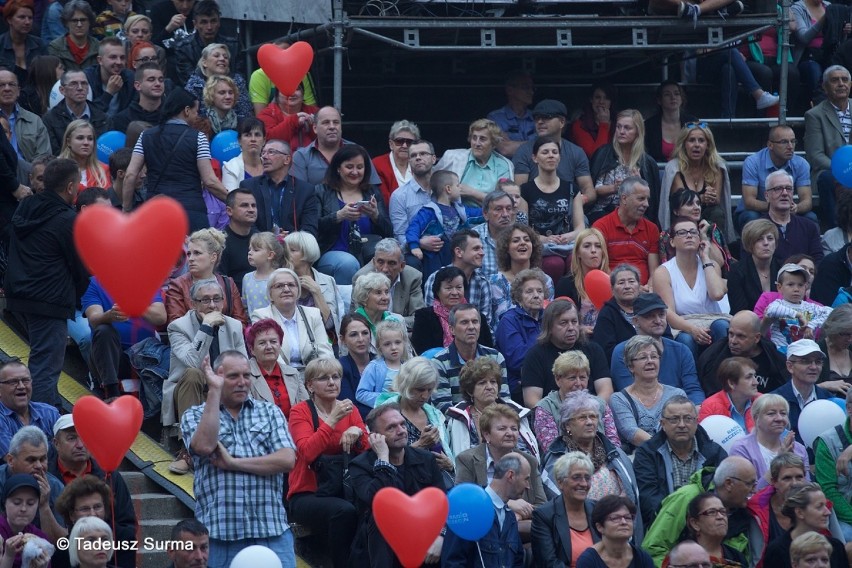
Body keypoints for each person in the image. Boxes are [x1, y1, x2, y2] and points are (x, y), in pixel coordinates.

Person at [181, 351, 296, 568]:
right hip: (218, 536)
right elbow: (204, 446)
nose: (242, 382)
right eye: (233, 376)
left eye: (247, 375)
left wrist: (234, 463)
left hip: (271, 532)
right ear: (216, 377)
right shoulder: (194, 415)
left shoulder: (270, 412)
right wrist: (214, 391)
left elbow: (287, 459)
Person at [3, 158, 87, 407]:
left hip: (20, 295)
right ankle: (41, 421)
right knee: (46, 365)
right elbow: (79, 265)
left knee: (41, 358)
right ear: (70, 187)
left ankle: (47, 410)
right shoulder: (67, 220)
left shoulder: (25, 207)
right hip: (49, 300)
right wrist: (77, 292)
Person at [287, 358, 369, 568]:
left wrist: (357, 431)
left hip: (344, 488)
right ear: (310, 386)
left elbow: (367, 449)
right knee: (344, 511)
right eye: (324, 378)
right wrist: (332, 420)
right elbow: (307, 452)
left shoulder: (349, 409)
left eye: (336, 377)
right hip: (307, 493)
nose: (332, 382)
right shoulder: (300, 411)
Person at [164, 280, 247, 473]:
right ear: (193, 304)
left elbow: (243, 362)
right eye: (205, 300)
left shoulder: (234, 325)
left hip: (223, 388)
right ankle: (188, 451)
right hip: (191, 389)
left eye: (217, 299)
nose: (212, 305)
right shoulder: (178, 327)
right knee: (193, 373)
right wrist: (206, 328)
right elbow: (193, 362)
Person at [348, 403, 446, 566]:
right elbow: (375, 500)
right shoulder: (360, 465)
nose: (401, 431)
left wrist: (441, 536)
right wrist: (383, 459)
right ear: (375, 436)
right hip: (382, 545)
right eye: (391, 428)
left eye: (402, 424)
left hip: (422, 534)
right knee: (380, 516)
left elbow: (442, 502)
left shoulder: (425, 459)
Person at [123, 87, 227, 229]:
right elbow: (209, 181)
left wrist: (127, 209)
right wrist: (233, 200)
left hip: (156, 211)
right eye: (195, 111)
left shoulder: (145, 136)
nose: (197, 116)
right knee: (196, 251)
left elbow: (130, 175)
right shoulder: (199, 138)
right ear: (186, 110)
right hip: (191, 212)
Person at [641, 456, 763, 567]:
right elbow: (654, 548)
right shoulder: (686, 497)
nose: (754, 490)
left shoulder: (742, 511)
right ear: (729, 483)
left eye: (722, 512)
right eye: (750, 484)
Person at [49, 415, 135, 568]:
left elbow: (126, 523)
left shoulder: (110, 476)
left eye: (85, 437)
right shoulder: (47, 477)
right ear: (56, 443)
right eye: (71, 438)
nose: (80, 444)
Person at [542, 391, 640, 521]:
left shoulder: (615, 453)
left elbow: (632, 492)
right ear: (567, 425)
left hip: (619, 523)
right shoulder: (557, 458)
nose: (589, 422)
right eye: (582, 418)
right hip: (579, 526)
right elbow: (556, 499)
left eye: (593, 417)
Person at [633, 395, 727, 527]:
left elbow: (723, 493)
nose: (682, 425)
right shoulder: (648, 453)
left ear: (696, 422)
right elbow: (648, 499)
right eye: (674, 419)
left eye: (688, 419)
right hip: (664, 525)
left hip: (707, 526)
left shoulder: (714, 453)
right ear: (663, 424)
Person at [455, 404, 547, 538]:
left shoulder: (529, 461)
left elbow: (542, 507)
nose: (510, 433)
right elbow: (462, 502)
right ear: (486, 434)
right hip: (480, 534)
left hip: (521, 537)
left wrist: (518, 515)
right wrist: (508, 505)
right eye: (502, 428)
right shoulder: (467, 459)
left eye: (514, 428)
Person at [314, 144, 392, 285]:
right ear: (338, 168)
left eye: (360, 167)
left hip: (368, 254)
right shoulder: (322, 191)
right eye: (349, 167)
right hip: (331, 253)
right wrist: (338, 216)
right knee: (348, 264)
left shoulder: (372, 192)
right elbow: (312, 227)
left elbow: (389, 232)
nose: (355, 172)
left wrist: (375, 216)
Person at [652, 218, 729, 358]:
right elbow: (667, 312)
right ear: (672, 241)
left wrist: (705, 258)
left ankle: (724, 376)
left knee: (722, 326)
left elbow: (717, 294)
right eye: (682, 232)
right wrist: (693, 329)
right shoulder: (663, 272)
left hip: (713, 319)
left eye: (693, 232)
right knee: (686, 339)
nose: (689, 235)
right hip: (683, 324)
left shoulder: (712, 265)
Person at [610, 292, 704, 405]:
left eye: (661, 315)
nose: (658, 320)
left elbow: (693, 389)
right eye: (650, 316)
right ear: (635, 321)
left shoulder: (681, 350)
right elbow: (628, 394)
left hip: (679, 415)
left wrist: (697, 407)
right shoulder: (622, 351)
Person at [82, 275, 165, 400]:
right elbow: (94, 318)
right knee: (103, 330)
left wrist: (134, 306)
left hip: (143, 355)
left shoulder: (146, 281)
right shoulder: (94, 282)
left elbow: (161, 317)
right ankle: (111, 393)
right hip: (112, 356)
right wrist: (110, 316)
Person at [522, 299, 613, 407]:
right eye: (563, 323)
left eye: (574, 322)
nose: (571, 328)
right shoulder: (535, 355)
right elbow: (532, 400)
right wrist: (563, 416)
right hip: (553, 417)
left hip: (591, 414)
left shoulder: (594, 349)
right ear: (549, 327)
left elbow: (606, 390)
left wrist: (588, 411)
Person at [442, 452, 527, 568]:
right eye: (526, 479)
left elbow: (517, 562)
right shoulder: (470, 509)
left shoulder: (510, 517)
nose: (528, 486)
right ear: (511, 476)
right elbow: (453, 562)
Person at [520, 136, 586, 280]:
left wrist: (567, 236)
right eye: (545, 152)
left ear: (559, 157)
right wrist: (544, 239)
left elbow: (580, 227)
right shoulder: (525, 190)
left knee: (573, 261)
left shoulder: (572, 188)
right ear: (535, 158)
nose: (551, 155)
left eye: (554, 152)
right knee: (553, 263)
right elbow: (522, 229)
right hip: (539, 245)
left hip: (566, 244)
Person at [445, 357, 537, 459]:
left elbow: (529, 453)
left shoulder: (514, 412)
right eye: (482, 383)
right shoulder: (459, 418)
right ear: (470, 391)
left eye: (493, 382)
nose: (489, 387)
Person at [660, 123, 735, 242]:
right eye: (691, 140)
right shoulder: (674, 168)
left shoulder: (716, 166)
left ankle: (716, 248)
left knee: (717, 212)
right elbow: (681, 202)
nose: (696, 145)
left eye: (701, 141)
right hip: (681, 216)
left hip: (706, 216)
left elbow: (716, 200)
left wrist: (711, 197)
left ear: (708, 145)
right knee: (683, 212)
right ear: (684, 144)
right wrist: (702, 198)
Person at [534, 351, 620, 455]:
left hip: (604, 461)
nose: (578, 383)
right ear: (558, 379)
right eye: (572, 378)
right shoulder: (545, 407)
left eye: (582, 377)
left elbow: (614, 443)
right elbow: (551, 448)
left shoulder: (600, 404)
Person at [609, 336, 688, 449]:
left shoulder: (677, 395)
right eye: (643, 357)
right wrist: (666, 449)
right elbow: (632, 433)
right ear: (631, 366)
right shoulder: (619, 399)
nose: (650, 361)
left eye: (654, 356)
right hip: (639, 458)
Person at [512, 99, 596, 205]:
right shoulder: (524, 151)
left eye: (547, 117)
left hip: (568, 209)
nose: (540, 122)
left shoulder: (576, 152)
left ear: (562, 122)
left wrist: (579, 201)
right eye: (537, 118)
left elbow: (589, 190)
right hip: (533, 209)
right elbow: (519, 192)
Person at [249, 268, 334, 371]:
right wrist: (291, 377)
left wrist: (321, 374)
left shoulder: (313, 314)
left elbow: (325, 351)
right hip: (279, 375)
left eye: (291, 285)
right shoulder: (261, 316)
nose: (286, 289)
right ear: (270, 294)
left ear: (298, 291)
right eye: (279, 286)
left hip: (312, 374)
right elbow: (268, 356)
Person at [588, 109, 661, 226]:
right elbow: (592, 190)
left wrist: (640, 185)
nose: (621, 131)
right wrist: (615, 188)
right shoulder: (603, 153)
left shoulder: (647, 162)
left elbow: (652, 202)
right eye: (618, 127)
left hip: (635, 214)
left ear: (638, 131)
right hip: (603, 212)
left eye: (627, 128)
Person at [739, 124, 815, 231]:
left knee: (811, 218)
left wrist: (797, 208)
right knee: (751, 217)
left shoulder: (801, 164)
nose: (790, 146)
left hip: (788, 211)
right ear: (770, 145)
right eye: (784, 142)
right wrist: (775, 207)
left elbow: (807, 201)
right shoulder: (753, 162)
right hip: (760, 211)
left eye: (793, 141)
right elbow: (749, 201)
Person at [406, 169, 480, 280]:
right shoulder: (428, 211)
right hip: (435, 257)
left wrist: (492, 210)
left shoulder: (460, 210)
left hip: (454, 256)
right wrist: (414, 246)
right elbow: (413, 228)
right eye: (458, 185)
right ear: (448, 189)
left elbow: (478, 214)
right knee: (435, 281)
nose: (460, 188)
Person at [531, 452, 600, 567]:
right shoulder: (544, 515)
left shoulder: (598, 510)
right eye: (576, 477)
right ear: (560, 482)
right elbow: (549, 563)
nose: (583, 483)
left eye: (587, 478)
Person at [164, 228, 246, 324]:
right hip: (192, 338)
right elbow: (176, 325)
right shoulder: (178, 285)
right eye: (189, 254)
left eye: (197, 253)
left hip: (226, 337)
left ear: (213, 257)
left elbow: (241, 322)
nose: (190, 259)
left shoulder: (228, 283)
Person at [240, 138, 320, 237]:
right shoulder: (249, 186)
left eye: (271, 152)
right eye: (263, 153)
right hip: (259, 247)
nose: (264, 157)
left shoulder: (305, 190)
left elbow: (310, 229)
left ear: (287, 159)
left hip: (294, 248)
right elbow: (246, 224)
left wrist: (290, 239)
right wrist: (270, 239)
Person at [0, 427, 67, 542]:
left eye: (42, 459)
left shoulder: (55, 487)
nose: (39, 466)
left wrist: (44, 506)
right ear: (11, 460)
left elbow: (62, 544)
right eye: (31, 460)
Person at [804, 65, 851, 225]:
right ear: (825, 87)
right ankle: (837, 229)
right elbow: (815, 155)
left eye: (845, 80)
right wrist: (843, 170)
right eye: (834, 80)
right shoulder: (815, 115)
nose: (841, 84)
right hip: (831, 171)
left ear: (850, 85)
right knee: (826, 178)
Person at [592, 177, 660, 286]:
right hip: (611, 289)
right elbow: (600, 267)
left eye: (647, 199)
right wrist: (626, 288)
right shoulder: (601, 226)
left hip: (645, 292)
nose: (646, 204)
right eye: (641, 198)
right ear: (624, 199)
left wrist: (648, 288)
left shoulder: (652, 229)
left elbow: (654, 272)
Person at [290, 106, 382, 188]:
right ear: (315, 128)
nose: (332, 127)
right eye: (326, 123)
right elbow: (299, 195)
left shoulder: (358, 152)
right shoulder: (301, 156)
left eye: (336, 122)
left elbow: (373, 189)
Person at [762, 483, 849, 568]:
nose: (828, 512)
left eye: (824, 560)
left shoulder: (836, 547)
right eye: (819, 507)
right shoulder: (777, 551)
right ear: (800, 512)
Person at [495, 268, 549, 403]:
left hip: (549, 380)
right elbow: (518, 361)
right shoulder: (509, 320)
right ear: (518, 297)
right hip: (520, 384)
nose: (536, 295)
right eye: (529, 291)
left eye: (540, 291)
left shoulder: (549, 318)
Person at [423, 229, 494, 329]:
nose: (482, 253)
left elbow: (484, 324)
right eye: (476, 249)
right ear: (459, 252)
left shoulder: (482, 282)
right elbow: (429, 319)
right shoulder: (435, 278)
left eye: (482, 248)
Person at [434, 118, 514, 206]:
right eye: (474, 138)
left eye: (482, 139)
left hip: (491, 217)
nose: (477, 143)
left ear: (494, 143)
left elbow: (505, 201)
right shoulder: (453, 157)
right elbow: (433, 182)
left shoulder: (504, 165)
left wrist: (473, 193)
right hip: (456, 215)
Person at [770, 339, 833, 447]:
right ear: (790, 366)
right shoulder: (773, 401)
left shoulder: (829, 400)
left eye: (818, 362)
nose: (813, 367)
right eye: (806, 361)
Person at [352, 238, 425, 331]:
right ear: (374, 262)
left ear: (402, 266)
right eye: (380, 262)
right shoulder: (362, 279)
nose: (385, 269)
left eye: (391, 263)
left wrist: (389, 323)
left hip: (402, 334)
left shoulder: (413, 277)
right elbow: (360, 318)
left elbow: (418, 318)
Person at [53, 475, 123, 568]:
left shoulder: (122, 538)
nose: (93, 514)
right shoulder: (62, 549)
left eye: (97, 507)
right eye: (85, 509)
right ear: (72, 515)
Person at [489, 223, 554, 324]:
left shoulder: (545, 280)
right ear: (507, 248)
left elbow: (547, 316)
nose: (522, 243)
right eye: (516, 240)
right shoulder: (495, 281)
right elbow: (500, 318)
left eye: (527, 240)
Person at [245, 318, 309, 420]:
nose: (269, 347)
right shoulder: (244, 375)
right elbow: (248, 415)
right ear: (252, 349)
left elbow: (306, 409)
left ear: (280, 345)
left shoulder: (293, 373)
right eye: (262, 343)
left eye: (273, 341)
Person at [285, 230, 341, 343]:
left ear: (307, 253)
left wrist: (316, 291)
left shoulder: (328, 281)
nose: (286, 254)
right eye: (285, 250)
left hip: (323, 342)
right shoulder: (281, 281)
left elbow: (331, 325)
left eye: (292, 250)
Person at [388, 139, 436, 267]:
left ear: (433, 158)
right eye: (413, 155)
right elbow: (400, 236)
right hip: (415, 252)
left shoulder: (445, 189)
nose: (418, 158)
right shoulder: (399, 196)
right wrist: (419, 243)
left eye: (423, 154)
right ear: (409, 162)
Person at [764, 263, 832, 352]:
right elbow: (771, 311)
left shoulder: (811, 307)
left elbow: (831, 312)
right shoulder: (778, 304)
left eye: (800, 285)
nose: (796, 289)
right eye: (791, 284)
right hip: (782, 352)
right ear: (779, 287)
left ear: (806, 287)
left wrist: (812, 325)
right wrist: (798, 315)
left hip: (805, 352)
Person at [554, 228, 609, 335]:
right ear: (578, 253)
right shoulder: (566, 283)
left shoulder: (613, 281)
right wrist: (578, 329)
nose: (593, 250)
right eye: (587, 246)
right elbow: (557, 320)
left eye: (598, 246)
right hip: (577, 339)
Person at [814, 387, 852, 540]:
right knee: (846, 536)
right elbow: (828, 491)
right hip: (844, 516)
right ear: (850, 409)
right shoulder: (827, 441)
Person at [42, 70, 109, 155]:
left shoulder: (103, 118)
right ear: (62, 90)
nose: (80, 88)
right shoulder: (50, 119)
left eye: (84, 83)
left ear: (88, 89)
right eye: (73, 84)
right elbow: (53, 153)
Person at [173, 0, 240, 85]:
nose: (209, 27)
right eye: (204, 22)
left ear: (219, 22)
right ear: (195, 24)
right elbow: (189, 82)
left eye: (213, 21)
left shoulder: (233, 45)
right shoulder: (184, 49)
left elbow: (238, 77)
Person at [0, 361, 58, 457]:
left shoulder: (49, 412)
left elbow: (68, 448)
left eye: (25, 380)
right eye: (13, 382)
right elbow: (16, 459)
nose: (21, 386)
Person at [575, 495, 653, 568]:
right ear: (600, 527)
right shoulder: (588, 561)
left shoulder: (642, 558)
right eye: (615, 518)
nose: (624, 522)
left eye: (628, 517)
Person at [762, 171, 823, 264]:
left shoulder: (809, 227)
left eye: (789, 188)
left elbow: (818, 261)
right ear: (767, 195)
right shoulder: (756, 228)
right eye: (778, 188)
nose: (785, 193)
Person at [184, 42, 251, 120]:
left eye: (225, 57)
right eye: (216, 56)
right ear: (204, 63)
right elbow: (191, 116)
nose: (222, 59)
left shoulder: (237, 81)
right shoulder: (194, 84)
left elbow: (245, 112)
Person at [591, 264, 645, 361]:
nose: (627, 286)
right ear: (612, 289)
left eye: (631, 281)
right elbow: (606, 350)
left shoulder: (650, 307)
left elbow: (665, 337)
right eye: (621, 283)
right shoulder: (607, 313)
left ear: (639, 285)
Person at [728, 219, 781, 315]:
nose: (766, 243)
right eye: (759, 239)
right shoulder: (737, 271)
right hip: (748, 324)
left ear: (775, 243)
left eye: (770, 238)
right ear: (750, 244)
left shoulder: (783, 269)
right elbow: (739, 311)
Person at [0, 68, 51, 164]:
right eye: (1, 85)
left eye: (11, 84)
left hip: (29, 174)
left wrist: (29, 172)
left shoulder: (34, 121)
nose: (7, 89)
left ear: (18, 91)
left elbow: (44, 156)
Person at [0, 474, 51, 568]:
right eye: (17, 503)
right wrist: (9, 556)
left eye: (30, 503)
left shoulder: (39, 538)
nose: (23, 508)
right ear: (4, 503)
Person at [356, 319, 410, 409]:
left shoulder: (409, 367)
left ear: (404, 343)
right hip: (385, 415)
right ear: (379, 348)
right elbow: (361, 394)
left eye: (397, 342)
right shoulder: (374, 367)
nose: (393, 347)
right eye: (387, 344)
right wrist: (387, 396)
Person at [698, 357, 761, 431]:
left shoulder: (763, 402)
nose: (756, 382)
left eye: (755, 376)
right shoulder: (710, 407)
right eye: (748, 377)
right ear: (731, 383)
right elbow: (705, 440)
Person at [643, 81, 697, 163]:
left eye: (677, 93)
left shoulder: (692, 122)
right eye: (667, 94)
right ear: (659, 100)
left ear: (682, 98)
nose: (673, 97)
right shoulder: (649, 125)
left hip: (687, 170)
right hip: (659, 172)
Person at [487, 71, 536, 159]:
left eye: (532, 88)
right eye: (526, 88)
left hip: (534, 169)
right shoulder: (495, 118)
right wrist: (537, 143)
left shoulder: (537, 117)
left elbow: (548, 146)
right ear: (510, 90)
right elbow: (505, 149)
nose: (531, 92)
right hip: (507, 170)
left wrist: (513, 144)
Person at [256, 84, 318, 152]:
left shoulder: (315, 112)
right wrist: (294, 121)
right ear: (277, 95)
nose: (292, 93)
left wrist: (312, 125)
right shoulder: (266, 114)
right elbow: (269, 140)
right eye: (285, 90)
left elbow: (325, 140)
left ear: (303, 93)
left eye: (297, 89)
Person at [82, 37, 134, 117]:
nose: (119, 62)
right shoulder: (86, 79)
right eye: (113, 57)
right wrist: (109, 93)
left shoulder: (130, 78)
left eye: (122, 57)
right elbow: (87, 114)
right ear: (100, 60)